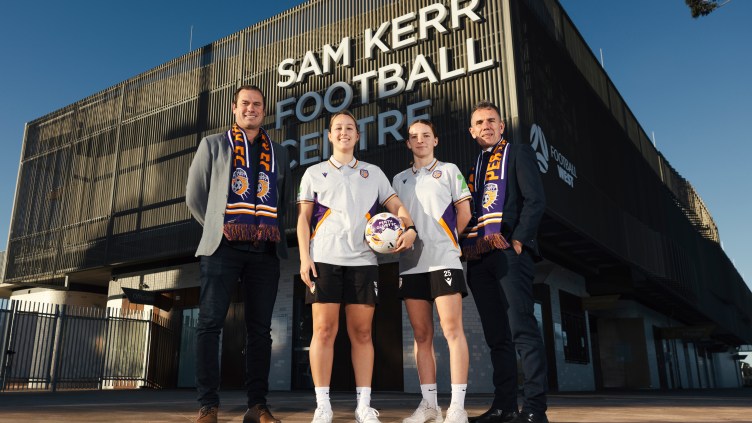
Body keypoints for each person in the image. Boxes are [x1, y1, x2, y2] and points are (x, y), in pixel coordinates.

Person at [297, 110, 417, 423]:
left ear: (358, 135)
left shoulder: (373, 173)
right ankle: (323, 406)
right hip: (324, 259)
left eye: (350, 127)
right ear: (329, 135)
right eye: (338, 128)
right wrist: (304, 257)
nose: (344, 132)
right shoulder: (313, 173)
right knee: (323, 331)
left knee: (362, 333)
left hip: (364, 261)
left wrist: (409, 227)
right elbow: (303, 220)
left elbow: (396, 205)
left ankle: (364, 405)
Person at [186, 85, 291, 423]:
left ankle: (257, 406)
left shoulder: (279, 152)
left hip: (264, 251)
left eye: (257, 104)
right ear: (234, 108)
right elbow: (195, 196)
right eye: (245, 103)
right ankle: (208, 405)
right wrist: (219, 226)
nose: (251, 108)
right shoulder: (213, 145)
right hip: (223, 248)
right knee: (209, 325)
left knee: (260, 331)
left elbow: (283, 201)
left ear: (264, 111)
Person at [461, 102, 548, 423]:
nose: (485, 126)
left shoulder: (518, 153)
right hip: (480, 258)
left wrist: (520, 239)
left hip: (510, 251)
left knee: (521, 329)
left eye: (491, 121)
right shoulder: (474, 169)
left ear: (501, 126)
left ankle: (535, 409)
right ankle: (505, 406)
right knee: (497, 336)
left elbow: (535, 200)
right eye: (479, 122)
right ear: (472, 131)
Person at [392, 120, 473, 423]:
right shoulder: (398, 179)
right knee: (421, 335)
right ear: (408, 144)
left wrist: (448, 241)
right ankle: (429, 406)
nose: (420, 140)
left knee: (452, 331)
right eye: (414, 136)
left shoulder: (449, 171)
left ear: (435, 140)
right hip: (411, 265)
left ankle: (458, 407)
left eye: (426, 135)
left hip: (443, 261)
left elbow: (465, 213)